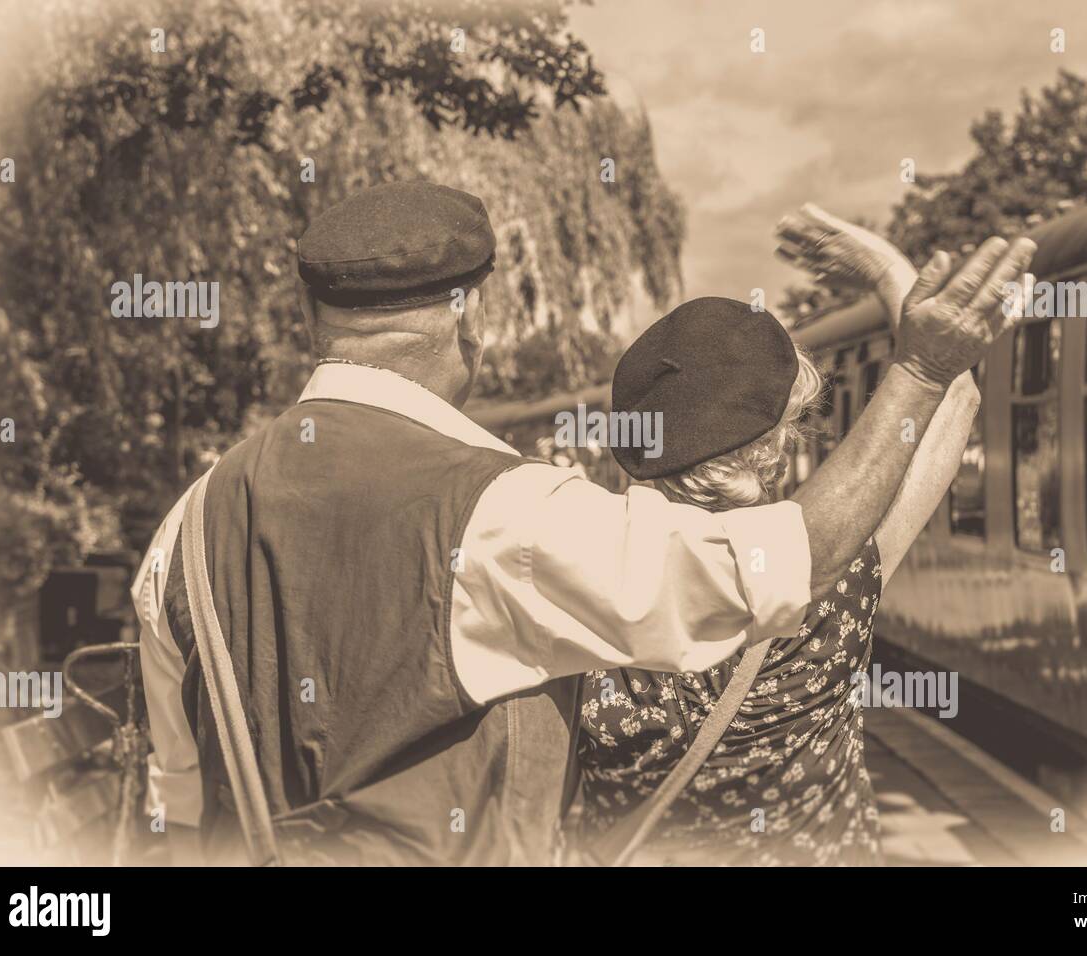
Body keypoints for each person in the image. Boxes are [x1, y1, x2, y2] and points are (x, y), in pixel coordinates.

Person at [130, 180, 1033, 865]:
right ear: (469, 315)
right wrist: (912, 348)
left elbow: (173, 805)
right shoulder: (515, 523)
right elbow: (798, 555)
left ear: (308, 317)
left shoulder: (188, 526)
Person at [575, 209, 1023, 865]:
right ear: (772, 456)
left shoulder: (569, 576)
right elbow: (952, 399)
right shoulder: (829, 582)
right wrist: (884, 268)